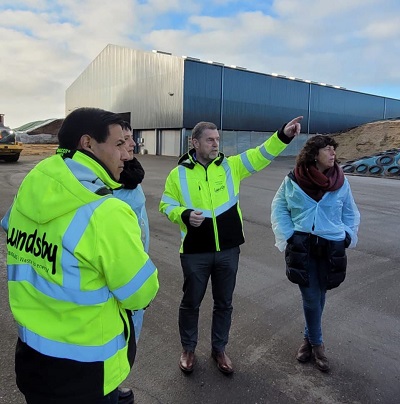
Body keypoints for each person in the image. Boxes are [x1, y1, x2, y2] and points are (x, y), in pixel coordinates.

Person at [1, 107, 159, 403]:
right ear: (88, 144)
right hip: (85, 375)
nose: (127, 154)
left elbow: (13, 231)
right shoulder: (105, 211)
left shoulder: (32, 187)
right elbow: (141, 294)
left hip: (32, 360)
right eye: (118, 145)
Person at [159, 116, 302, 374]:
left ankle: (219, 349)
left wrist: (284, 135)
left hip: (228, 251)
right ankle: (188, 349)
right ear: (194, 142)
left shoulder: (231, 166)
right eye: (210, 140)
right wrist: (182, 214)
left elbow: (261, 155)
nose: (216, 144)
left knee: (224, 303)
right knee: (191, 302)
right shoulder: (177, 174)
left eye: (217, 139)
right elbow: (166, 204)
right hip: (194, 253)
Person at [270, 135, 360, 372]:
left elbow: (351, 212)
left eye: (333, 150)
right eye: (328, 150)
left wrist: (348, 235)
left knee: (320, 294)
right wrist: (289, 235)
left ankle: (307, 340)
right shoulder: (293, 180)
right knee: (310, 296)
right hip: (303, 246)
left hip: (331, 247)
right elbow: (279, 206)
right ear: (314, 154)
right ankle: (318, 346)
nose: (333, 154)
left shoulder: (341, 181)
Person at [115, 121, 149, 343]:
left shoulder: (132, 176)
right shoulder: (101, 185)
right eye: (123, 139)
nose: (132, 143)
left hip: (137, 263)